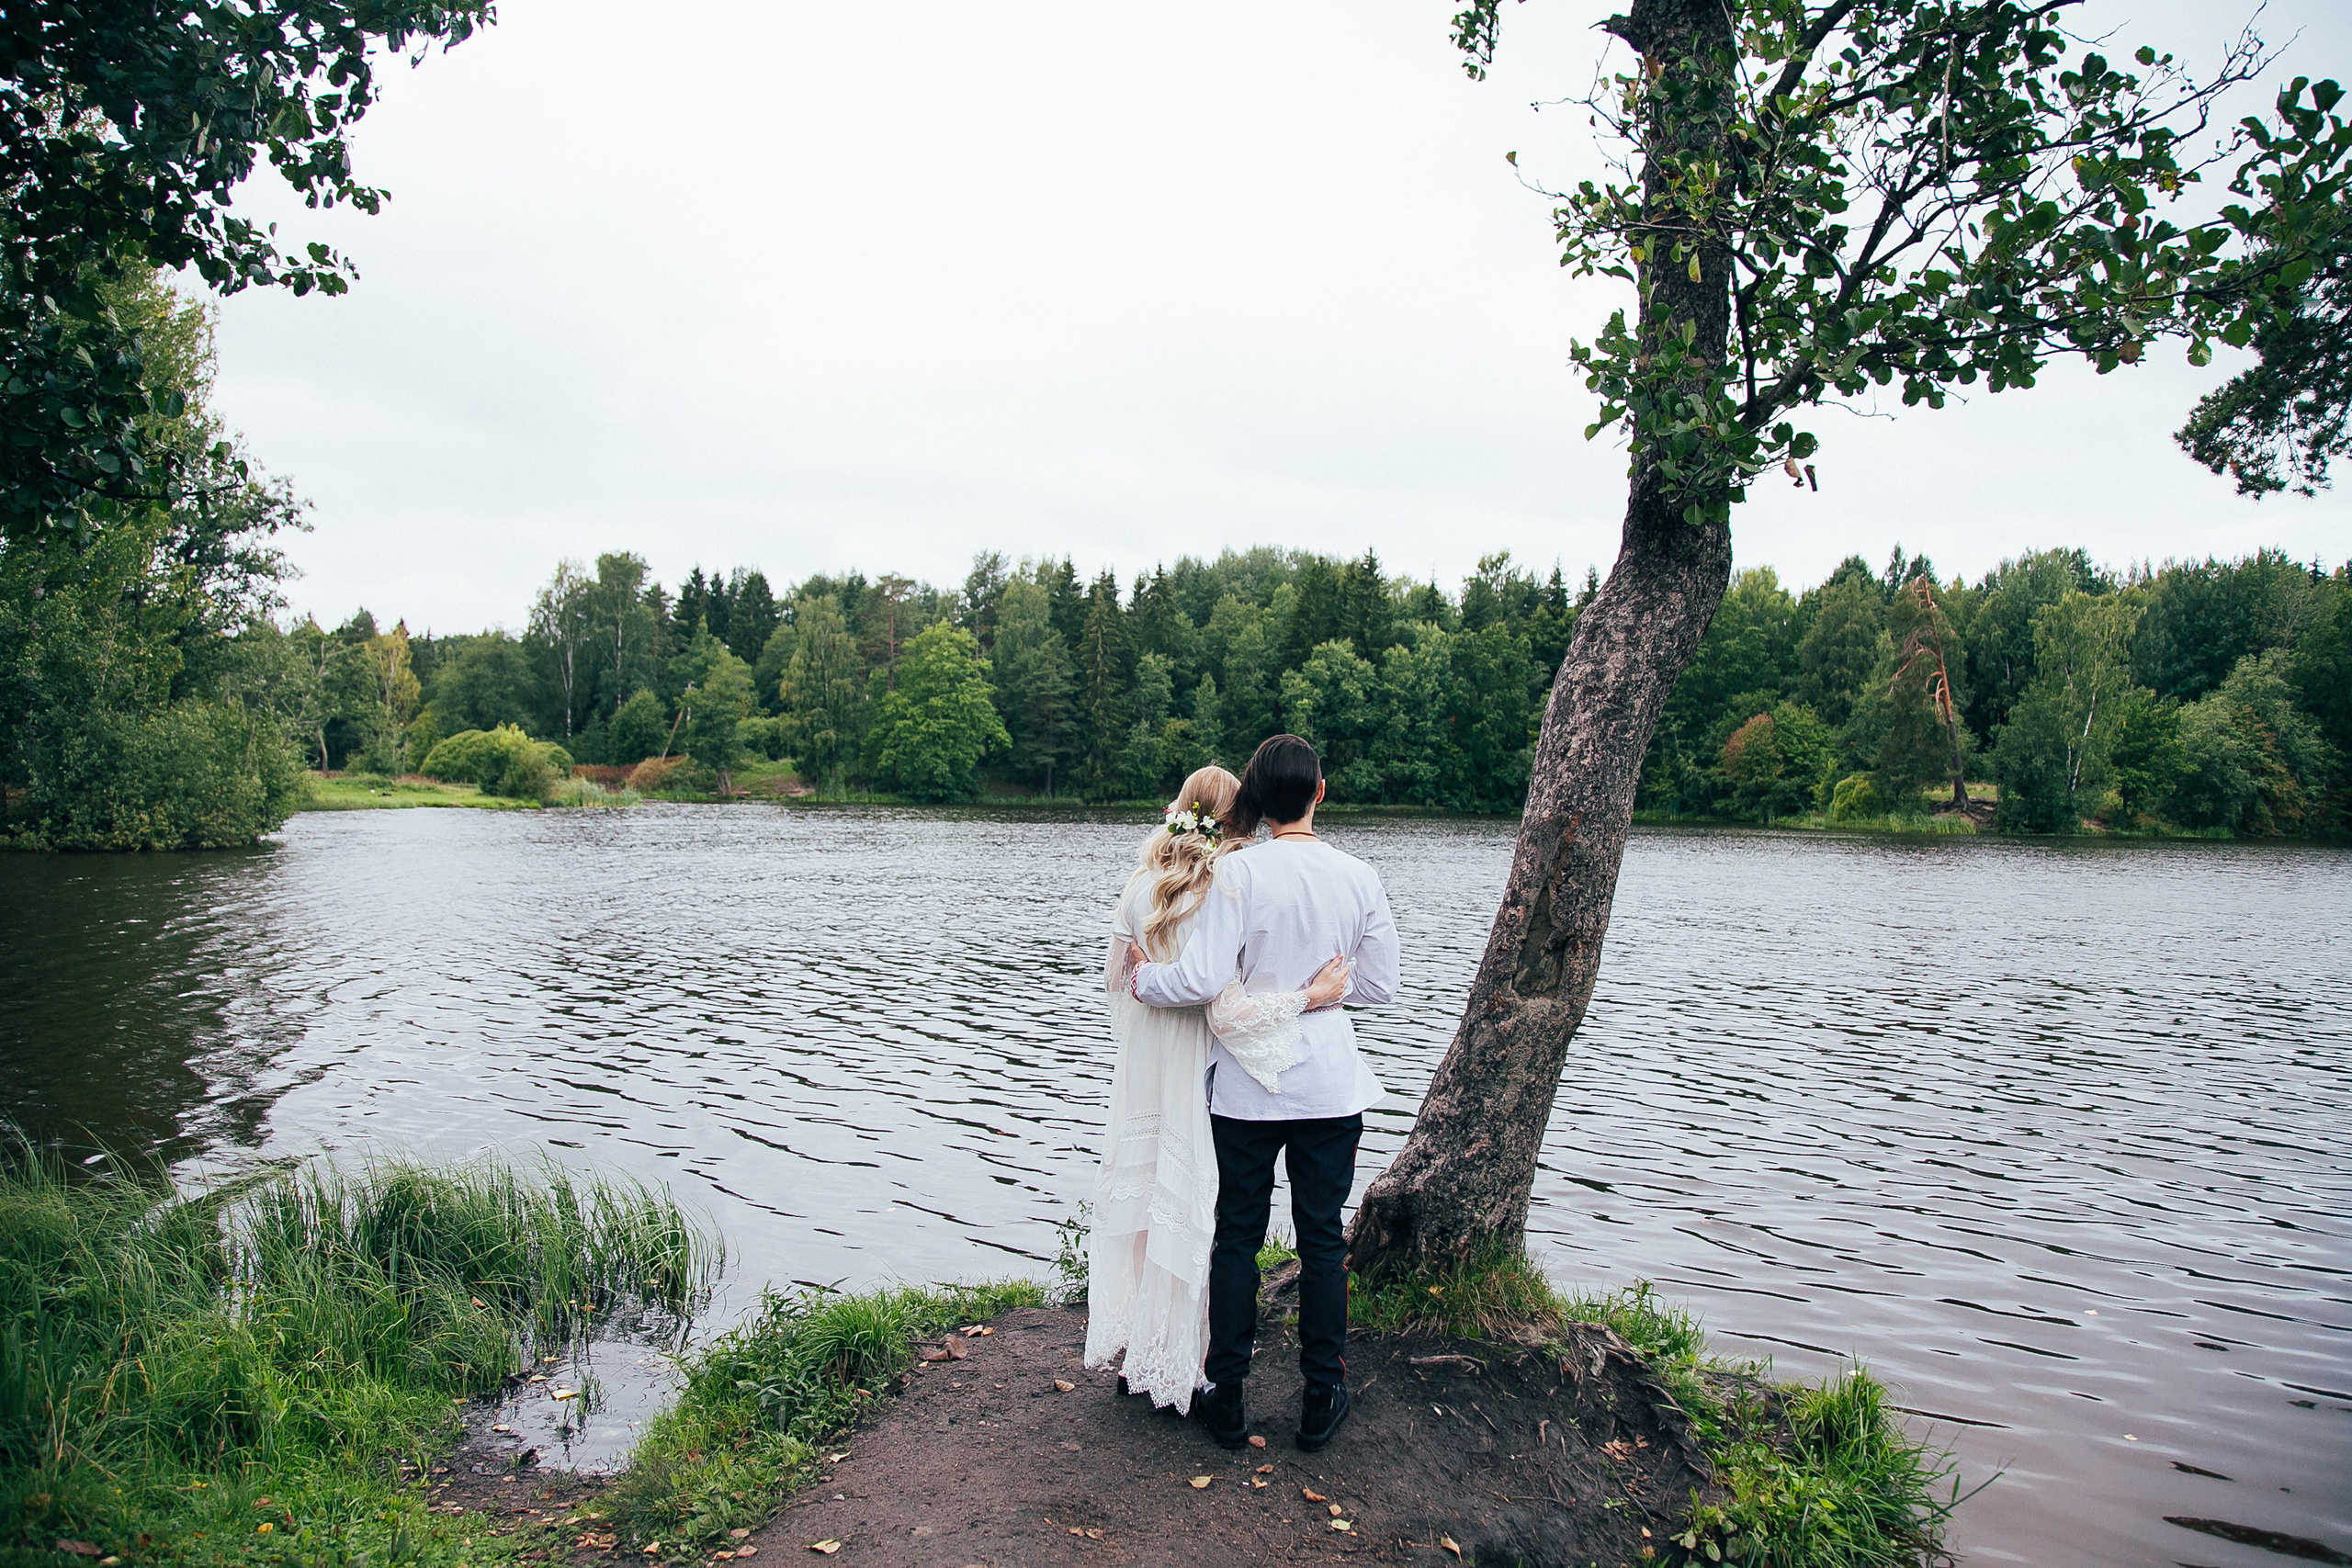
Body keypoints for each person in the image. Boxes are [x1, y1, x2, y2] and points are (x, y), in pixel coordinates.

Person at [1129, 735, 1399, 1452]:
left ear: (1256, 798)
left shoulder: (1239, 873)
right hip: (1329, 1087)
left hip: (1247, 1091)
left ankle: (1227, 1394)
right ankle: (1321, 1393)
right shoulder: (1359, 875)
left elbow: (1199, 979)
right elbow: (1381, 984)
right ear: (1319, 791)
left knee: (1238, 1236)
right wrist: (1322, 992)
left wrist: (1142, 979)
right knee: (1322, 1238)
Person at [1085, 765, 1350, 1413]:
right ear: (1238, 817)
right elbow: (1225, 1007)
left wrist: (1148, 980)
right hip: (1200, 1068)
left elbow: (1118, 980)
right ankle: (1188, 1364)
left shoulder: (1140, 885)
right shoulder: (1225, 888)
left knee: (1152, 1207)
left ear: (1179, 809)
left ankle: (1143, 1355)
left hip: (1145, 1071)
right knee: (1200, 1216)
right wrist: (1310, 996)